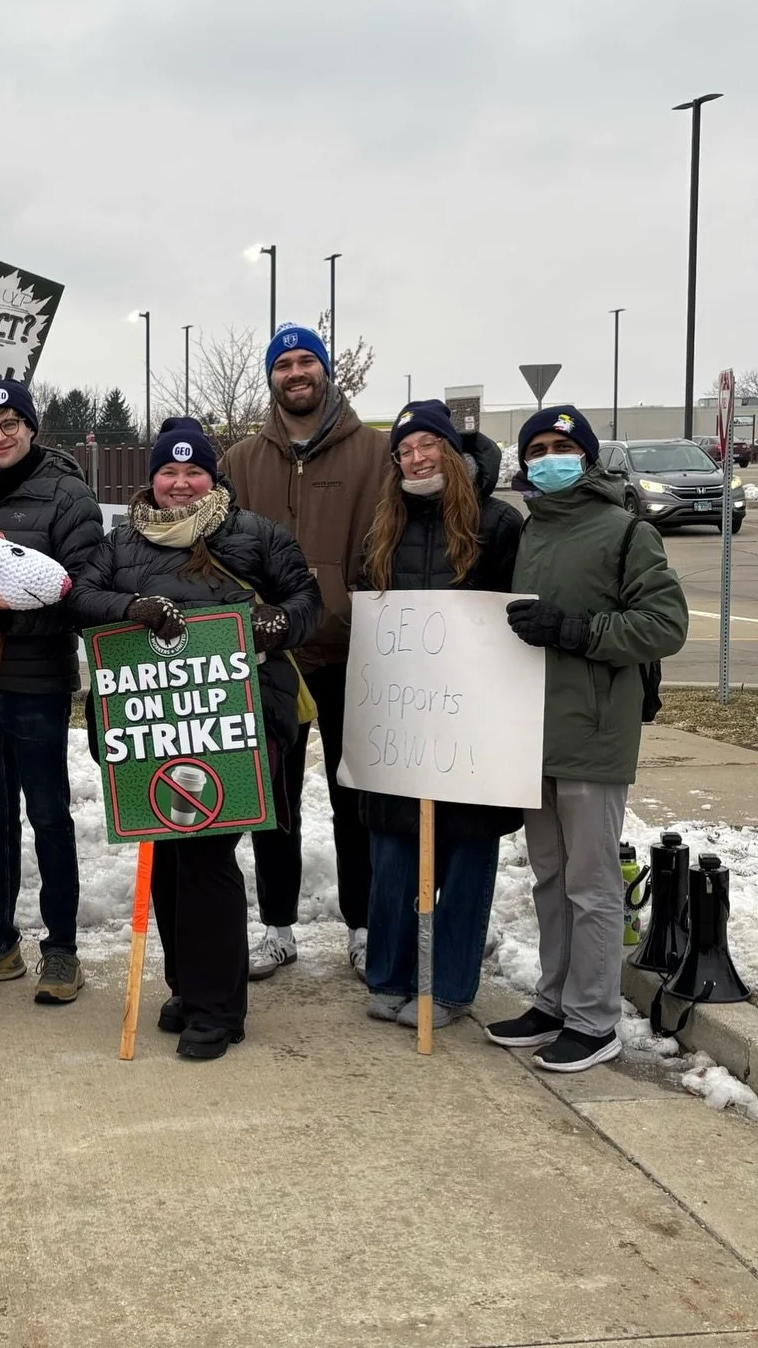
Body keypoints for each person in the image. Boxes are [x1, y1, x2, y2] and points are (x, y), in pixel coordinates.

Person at [69, 418, 322, 1059]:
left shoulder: (255, 535)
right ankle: (188, 984)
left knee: (207, 852)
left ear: (214, 478)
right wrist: (132, 610)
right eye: (168, 472)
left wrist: (277, 623)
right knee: (168, 858)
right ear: (151, 479)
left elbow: (308, 602)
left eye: (193, 472)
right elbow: (81, 600)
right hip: (151, 723)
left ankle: (219, 1009)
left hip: (235, 718)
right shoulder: (121, 542)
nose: (180, 484)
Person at [484, 405, 687, 1072]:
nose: (548, 456)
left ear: (588, 456)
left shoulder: (624, 531)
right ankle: (555, 1001)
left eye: (562, 446)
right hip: (531, 734)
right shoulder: (531, 532)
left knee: (592, 885)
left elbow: (664, 625)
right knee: (548, 878)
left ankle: (595, 1019)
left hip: (593, 734)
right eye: (536, 447)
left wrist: (580, 630)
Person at [221, 323, 389, 980]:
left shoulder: (373, 453)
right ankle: (277, 927)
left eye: (306, 362)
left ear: (324, 371)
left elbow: (384, 547)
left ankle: (365, 926)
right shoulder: (240, 461)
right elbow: (226, 551)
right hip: (270, 660)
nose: (296, 373)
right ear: (271, 377)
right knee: (273, 801)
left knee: (357, 799)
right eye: (284, 363)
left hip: (350, 653)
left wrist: (338, 606)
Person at [0, 380, 103, 1003]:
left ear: (32, 428)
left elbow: (81, 593)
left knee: (49, 817)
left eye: (10, 423)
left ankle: (61, 951)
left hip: (35, 684)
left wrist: (1, 616)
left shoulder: (68, 496)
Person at [356, 402, 524, 1028]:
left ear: (452, 450)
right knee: (394, 854)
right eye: (405, 449)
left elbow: (515, 611)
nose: (417, 457)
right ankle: (391, 974)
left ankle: (450, 986)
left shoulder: (499, 524)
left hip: (473, 722)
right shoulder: (383, 529)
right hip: (402, 719)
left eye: (429, 444)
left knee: (466, 853)